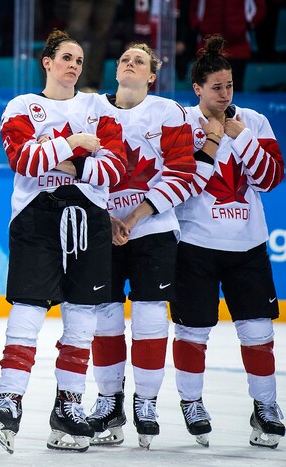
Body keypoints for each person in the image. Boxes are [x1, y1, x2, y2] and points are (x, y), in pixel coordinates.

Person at [0, 29, 126, 454]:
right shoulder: (22, 106)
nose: (74, 66)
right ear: (47, 62)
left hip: (90, 220)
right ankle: (8, 401)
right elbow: (23, 162)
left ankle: (68, 406)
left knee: (82, 318)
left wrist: (62, 158)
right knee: (28, 311)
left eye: (80, 60)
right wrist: (78, 144)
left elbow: (116, 168)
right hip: (35, 220)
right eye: (66, 57)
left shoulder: (100, 107)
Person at [170, 34, 285, 449]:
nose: (225, 94)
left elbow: (271, 179)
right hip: (195, 246)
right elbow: (179, 184)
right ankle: (191, 401)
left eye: (230, 85)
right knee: (192, 331)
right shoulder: (181, 122)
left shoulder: (253, 122)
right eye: (216, 87)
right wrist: (213, 139)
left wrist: (239, 137)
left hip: (248, 247)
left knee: (257, 332)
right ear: (197, 88)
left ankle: (266, 406)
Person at [85, 43, 197, 449]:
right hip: (103, 231)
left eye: (140, 61)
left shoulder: (168, 112)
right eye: (125, 59)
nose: (130, 64)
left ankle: (145, 402)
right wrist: (104, 217)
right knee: (105, 317)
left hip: (153, 231)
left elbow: (183, 170)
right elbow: (80, 167)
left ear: (152, 76)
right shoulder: (90, 108)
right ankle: (108, 401)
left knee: (150, 317)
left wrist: (133, 217)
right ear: (117, 70)